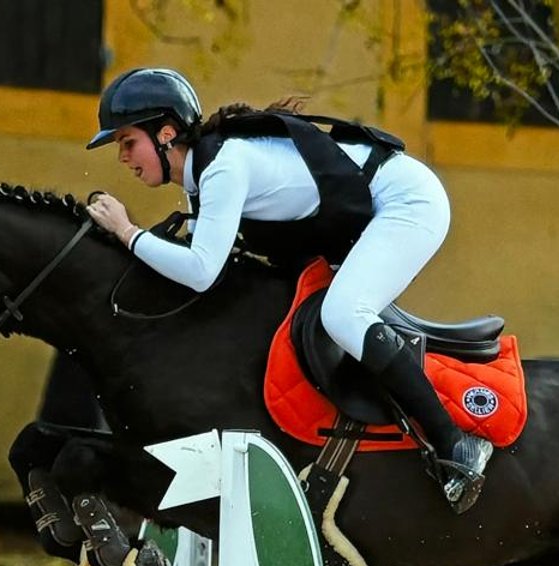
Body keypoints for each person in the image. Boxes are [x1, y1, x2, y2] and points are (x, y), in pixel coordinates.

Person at [80, 66, 492, 512]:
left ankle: (456, 443)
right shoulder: (205, 180)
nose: (123, 157)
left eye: (127, 142)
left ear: (165, 134)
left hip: (408, 202)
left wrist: (127, 233)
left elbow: (200, 271)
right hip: (374, 211)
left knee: (344, 314)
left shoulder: (224, 169)